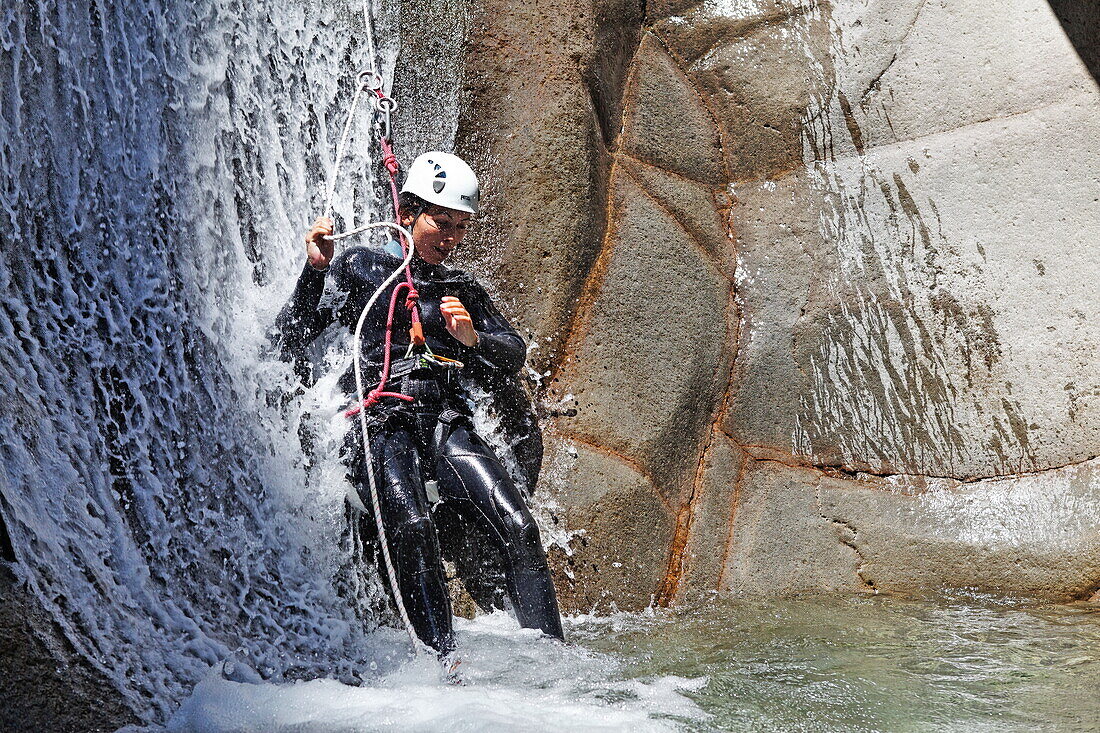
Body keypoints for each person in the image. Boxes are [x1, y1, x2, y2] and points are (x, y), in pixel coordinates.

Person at [272, 151, 564, 655]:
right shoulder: (366, 267)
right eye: (440, 223)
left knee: (518, 526)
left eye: (460, 226)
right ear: (406, 212)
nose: (450, 238)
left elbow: (512, 352)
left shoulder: (460, 287)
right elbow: (290, 338)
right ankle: (442, 667)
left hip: (443, 421)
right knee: (413, 528)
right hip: (380, 420)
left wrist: (472, 340)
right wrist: (315, 273)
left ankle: (557, 660)